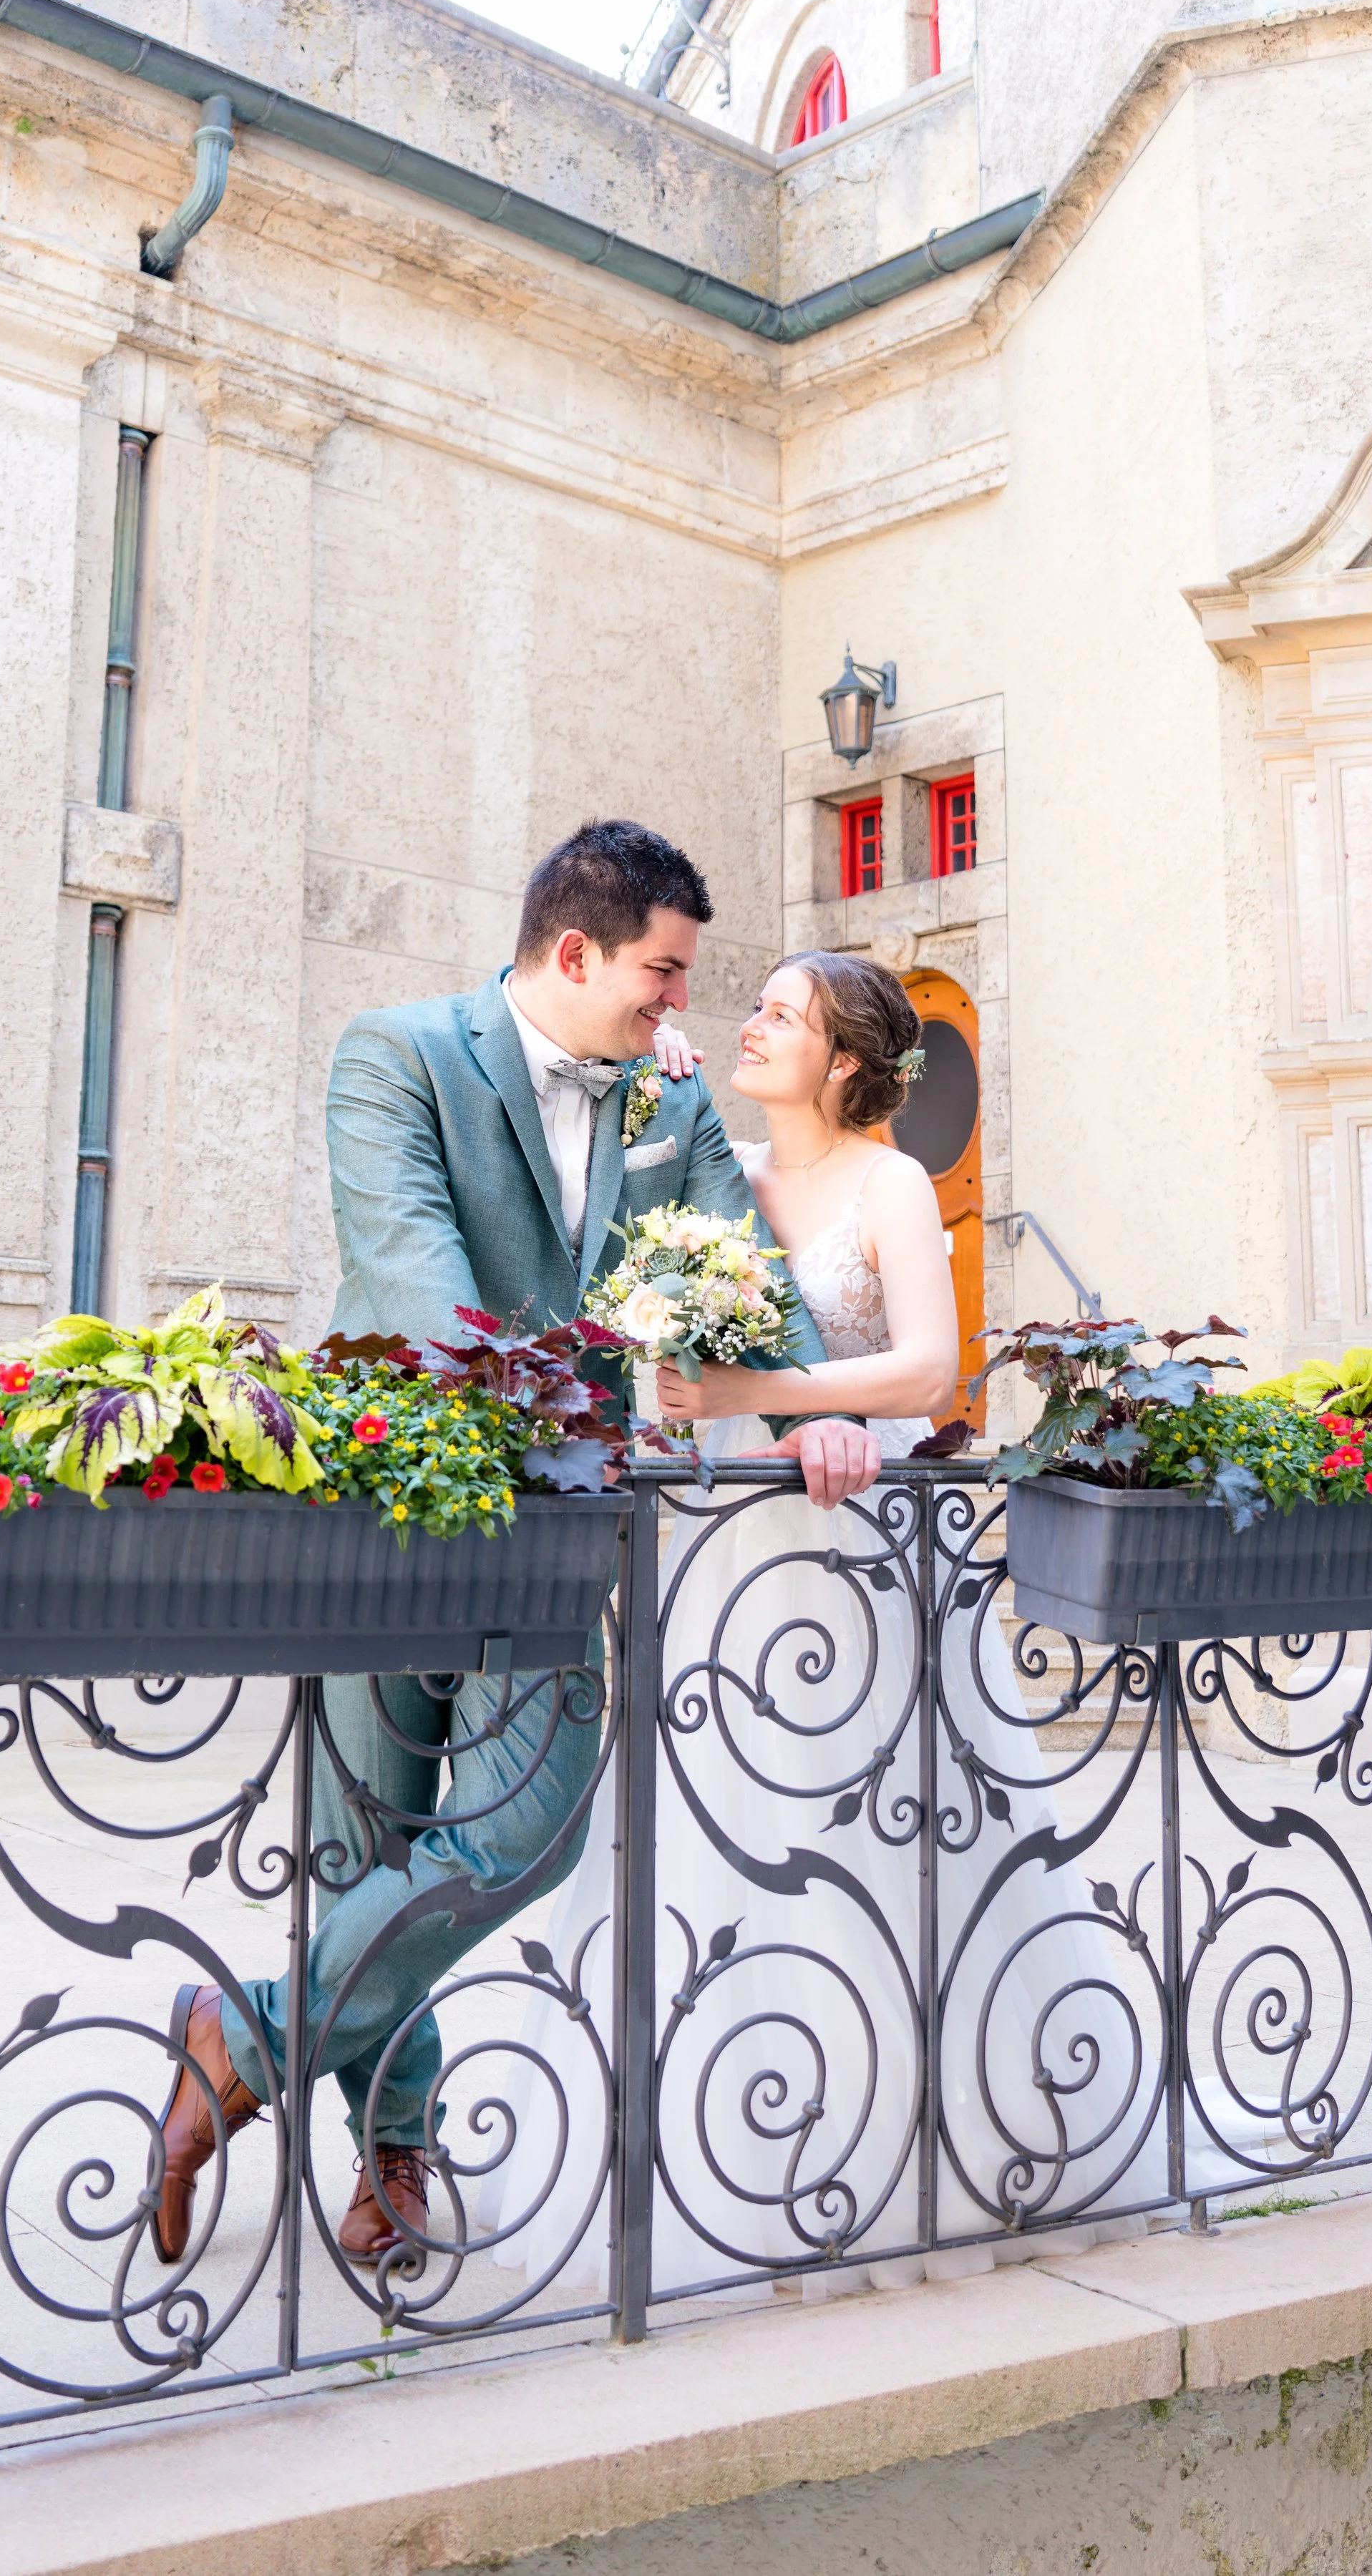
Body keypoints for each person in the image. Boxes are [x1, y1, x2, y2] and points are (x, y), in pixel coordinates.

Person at [150, 826, 883, 2270]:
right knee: (366, 1841)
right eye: (661, 979)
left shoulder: (661, 1106)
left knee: (520, 1832)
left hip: (555, 1531)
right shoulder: (395, 1056)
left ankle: (232, 2036)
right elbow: (417, 1276)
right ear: (574, 955)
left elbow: (736, 1263)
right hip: (382, 1507)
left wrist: (808, 1409)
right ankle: (395, 2152)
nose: (678, 1012)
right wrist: (551, 1398)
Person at [482, 952, 1189, 2294]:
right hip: (727, 1555)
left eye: (783, 1016)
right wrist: (653, 1099)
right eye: (752, 1006)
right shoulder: (716, 1170)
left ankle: (925, 2143)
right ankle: (732, 2150)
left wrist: (783, 1394)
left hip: (858, 1560)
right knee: (726, 1836)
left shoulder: (892, 1185)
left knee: (886, 1835)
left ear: (847, 1062)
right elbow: (625, 1286)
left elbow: (929, 1367)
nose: (751, 1023)